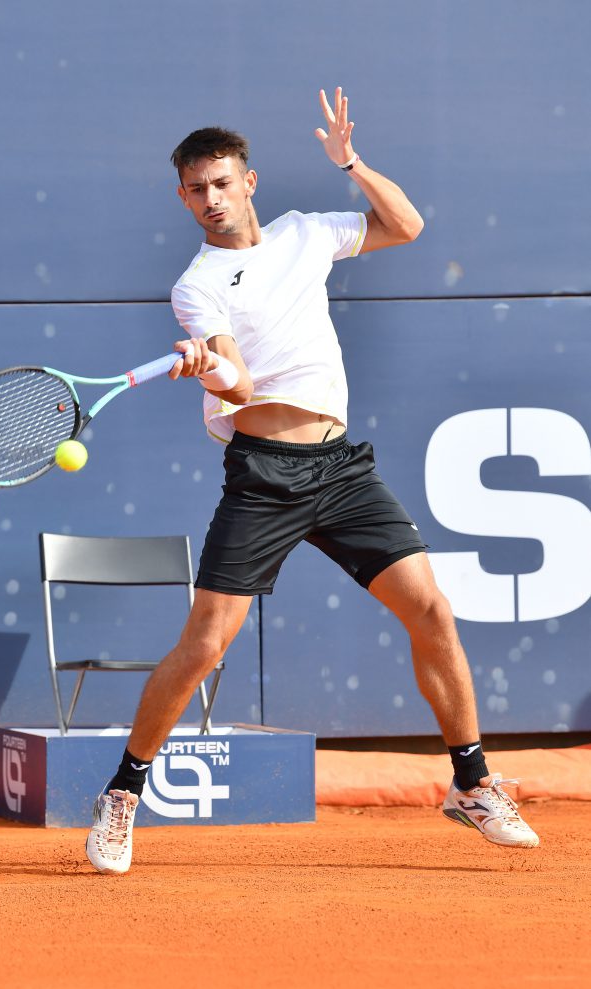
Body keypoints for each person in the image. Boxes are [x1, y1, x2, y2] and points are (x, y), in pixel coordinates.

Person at [86, 88, 539, 873]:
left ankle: (472, 783)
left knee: (431, 608)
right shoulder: (196, 285)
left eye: (222, 183)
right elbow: (236, 383)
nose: (211, 200)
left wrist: (352, 165)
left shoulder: (304, 234)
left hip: (341, 468)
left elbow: (406, 227)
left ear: (249, 181)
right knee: (203, 648)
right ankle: (123, 794)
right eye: (196, 189)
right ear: (183, 197)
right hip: (264, 476)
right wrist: (208, 367)